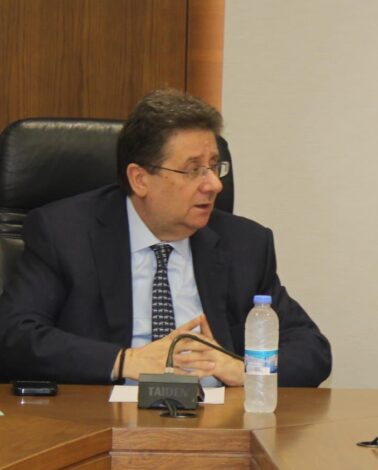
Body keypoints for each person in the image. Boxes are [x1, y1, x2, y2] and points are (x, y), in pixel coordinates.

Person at [0, 89, 331, 387]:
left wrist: (243, 369)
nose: (214, 185)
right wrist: (127, 361)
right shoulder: (64, 233)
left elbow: (312, 350)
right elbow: (14, 336)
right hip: (104, 422)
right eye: (193, 169)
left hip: (217, 422)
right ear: (140, 179)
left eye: (214, 166)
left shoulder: (245, 244)